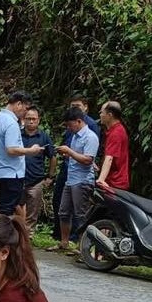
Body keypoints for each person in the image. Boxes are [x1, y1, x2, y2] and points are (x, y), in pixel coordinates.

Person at [51, 106, 99, 252]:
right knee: (63, 212)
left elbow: (87, 160)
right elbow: (79, 156)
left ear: (78, 121)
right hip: (71, 179)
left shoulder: (91, 137)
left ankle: (82, 246)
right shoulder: (75, 136)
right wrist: (67, 154)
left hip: (83, 180)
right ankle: (64, 242)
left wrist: (69, 152)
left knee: (81, 215)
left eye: (70, 124)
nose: (69, 128)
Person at [0, 91, 39, 219]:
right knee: (7, 211)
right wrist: (30, 151)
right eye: (26, 108)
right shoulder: (11, 123)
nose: (26, 113)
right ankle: (2, 237)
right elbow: (11, 149)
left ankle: (19, 236)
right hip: (11, 173)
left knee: (8, 206)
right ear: (18, 104)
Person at [19, 107, 55, 228]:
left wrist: (50, 176)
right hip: (18, 178)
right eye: (28, 118)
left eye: (34, 119)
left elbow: (52, 156)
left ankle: (28, 237)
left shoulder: (44, 137)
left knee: (33, 212)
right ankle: (18, 235)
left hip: (36, 180)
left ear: (38, 120)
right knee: (17, 209)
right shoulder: (18, 135)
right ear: (24, 120)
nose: (31, 121)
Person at [95, 101, 131, 193]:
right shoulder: (114, 130)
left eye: (102, 112)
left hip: (115, 183)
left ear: (109, 115)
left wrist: (101, 180)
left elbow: (109, 158)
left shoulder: (116, 132)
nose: (100, 114)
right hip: (112, 180)